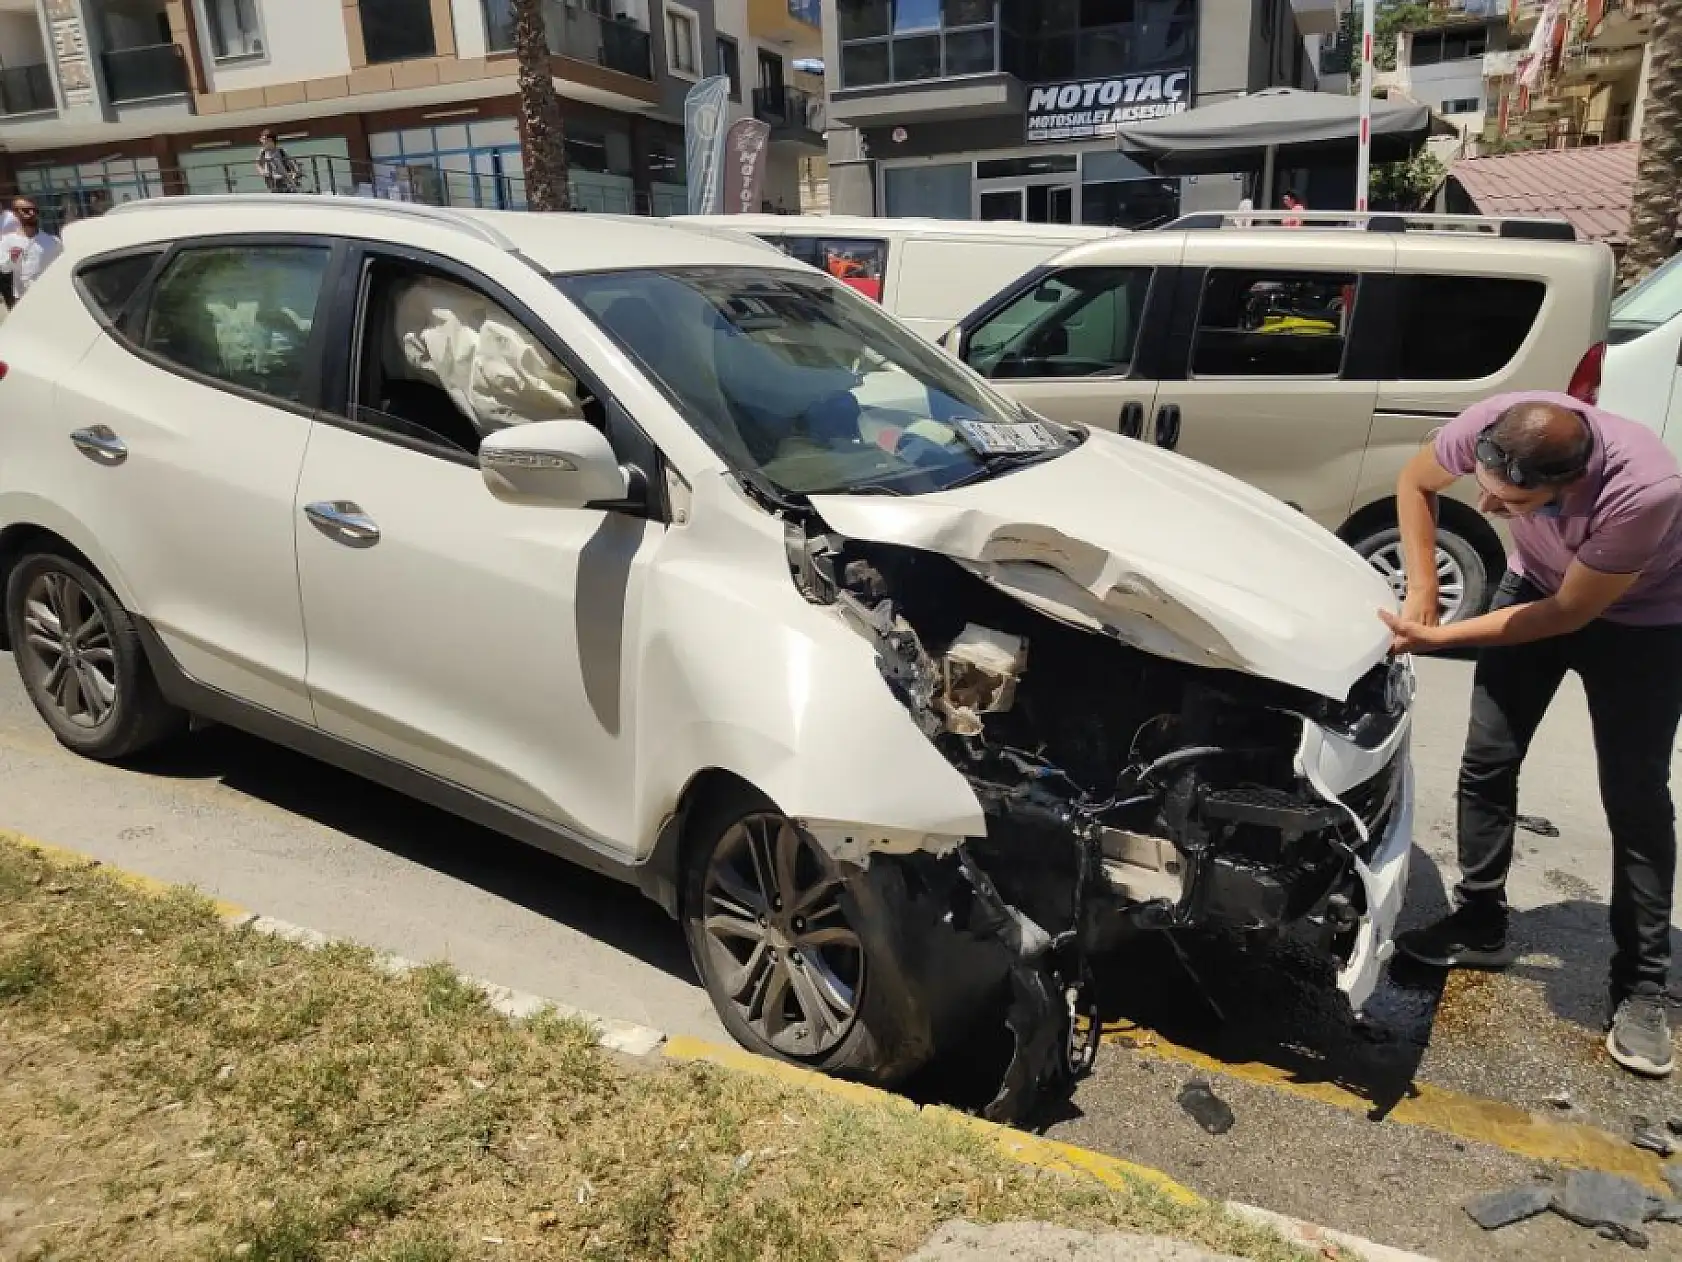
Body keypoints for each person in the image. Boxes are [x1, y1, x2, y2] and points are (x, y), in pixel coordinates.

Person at [1381, 392, 1682, 1078]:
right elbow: (1415, 481)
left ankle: (1640, 986)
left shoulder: (1646, 490)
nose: (1488, 510)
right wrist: (1422, 586)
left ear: (1567, 490)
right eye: (1486, 491)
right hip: (1531, 584)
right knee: (1488, 758)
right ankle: (1479, 921)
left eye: (1511, 505)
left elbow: (1568, 613)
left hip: (1644, 623)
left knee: (1635, 797)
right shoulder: (1500, 420)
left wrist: (1443, 636)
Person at [0, 198, 63, 303]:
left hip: (52, 296)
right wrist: (13, 258)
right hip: (23, 299)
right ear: (15, 214)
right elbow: (4, 269)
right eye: (26, 210)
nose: (31, 213)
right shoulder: (7, 241)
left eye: (35, 210)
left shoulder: (53, 241)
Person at [256, 129, 302, 193]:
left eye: (263, 139)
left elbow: (292, 163)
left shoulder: (281, 151)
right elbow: (258, 164)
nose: (261, 141)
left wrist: (295, 173)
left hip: (285, 181)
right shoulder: (262, 152)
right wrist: (262, 172)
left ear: (270, 140)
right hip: (272, 182)